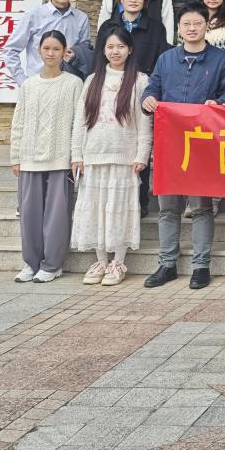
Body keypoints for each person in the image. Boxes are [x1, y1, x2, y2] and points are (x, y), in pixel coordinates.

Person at [141, 4, 225, 290]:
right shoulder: (166, 59)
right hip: (169, 143)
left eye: (197, 23)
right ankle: (167, 263)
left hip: (202, 144)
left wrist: (218, 102)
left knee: (202, 208)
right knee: (168, 209)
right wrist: (147, 99)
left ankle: (201, 266)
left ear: (207, 26)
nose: (192, 28)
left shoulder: (221, 60)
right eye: (186, 24)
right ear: (179, 28)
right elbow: (153, 88)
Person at [70, 28, 151, 287]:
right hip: (93, 156)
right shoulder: (93, 80)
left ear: (130, 50)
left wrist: (142, 154)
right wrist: (77, 154)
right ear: (103, 50)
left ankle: (118, 262)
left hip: (124, 158)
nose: (115, 52)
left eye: (120, 47)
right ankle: (101, 261)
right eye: (110, 47)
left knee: (119, 211)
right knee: (95, 211)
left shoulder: (140, 81)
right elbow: (80, 121)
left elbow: (145, 122)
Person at [11, 31, 83, 283]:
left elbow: (79, 123)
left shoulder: (74, 84)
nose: (51, 53)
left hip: (60, 160)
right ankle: (31, 263)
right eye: (46, 48)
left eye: (56, 49)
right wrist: (15, 157)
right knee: (29, 214)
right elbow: (18, 122)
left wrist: (76, 155)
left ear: (65, 52)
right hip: (29, 158)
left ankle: (52, 265)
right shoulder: (29, 85)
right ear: (39, 50)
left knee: (57, 215)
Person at [2, 0, 90, 87]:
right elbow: (10, 50)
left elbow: (85, 51)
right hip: (38, 84)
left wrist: (76, 54)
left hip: (69, 84)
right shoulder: (33, 16)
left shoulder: (81, 18)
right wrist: (22, 82)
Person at [94, 0, 171, 75]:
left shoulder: (157, 29)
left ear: (145, 0)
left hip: (145, 82)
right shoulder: (107, 27)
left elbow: (162, 64)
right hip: (111, 80)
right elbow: (97, 60)